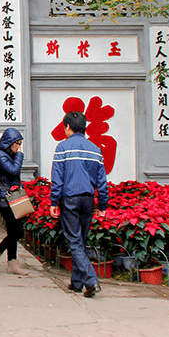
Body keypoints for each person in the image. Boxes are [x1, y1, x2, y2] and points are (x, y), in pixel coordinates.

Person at [50, 111, 108, 298]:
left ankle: (91, 281)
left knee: (74, 242)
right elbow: (102, 181)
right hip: (88, 200)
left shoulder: (63, 148)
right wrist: (103, 205)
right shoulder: (95, 150)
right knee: (80, 241)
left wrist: (53, 201)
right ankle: (76, 282)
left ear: (68, 127)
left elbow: (57, 178)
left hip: (70, 198)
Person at [0, 127, 27, 276]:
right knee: (17, 231)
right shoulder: (0, 155)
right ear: (9, 142)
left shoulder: (10, 155)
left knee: (14, 231)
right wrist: (20, 156)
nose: (18, 147)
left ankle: (12, 262)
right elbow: (13, 171)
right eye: (17, 144)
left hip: (13, 198)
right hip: (4, 199)